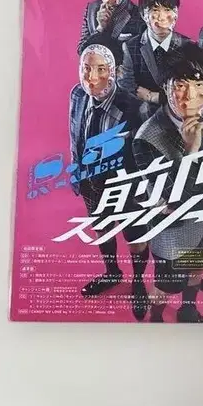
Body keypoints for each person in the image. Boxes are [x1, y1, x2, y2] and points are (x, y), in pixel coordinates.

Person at [132, 44, 203, 323]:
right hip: (173, 228)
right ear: (166, 88)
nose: (190, 96)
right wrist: (191, 151)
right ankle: (156, 317)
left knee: (198, 269)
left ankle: (188, 309)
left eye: (198, 85)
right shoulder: (146, 137)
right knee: (165, 286)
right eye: (180, 85)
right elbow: (174, 198)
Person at [68, 36, 149, 319]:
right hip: (90, 181)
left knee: (135, 237)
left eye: (101, 69)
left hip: (126, 185)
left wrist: (140, 191)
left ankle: (138, 281)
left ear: (113, 71)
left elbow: (142, 153)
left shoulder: (132, 106)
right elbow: (74, 132)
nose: (92, 77)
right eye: (87, 68)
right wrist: (76, 171)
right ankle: (112, 272)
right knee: (102, 229)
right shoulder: (77, 95)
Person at [118, 0, 189, 120]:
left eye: (168, 10)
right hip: (142, 117)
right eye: (155, 10)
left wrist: (154, 97)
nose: (162, 17)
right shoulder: (131, 47)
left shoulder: (188, 46)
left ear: (176, 13)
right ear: (143, 14)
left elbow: (189, 89)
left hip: (178, 117)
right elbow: (126, 85)